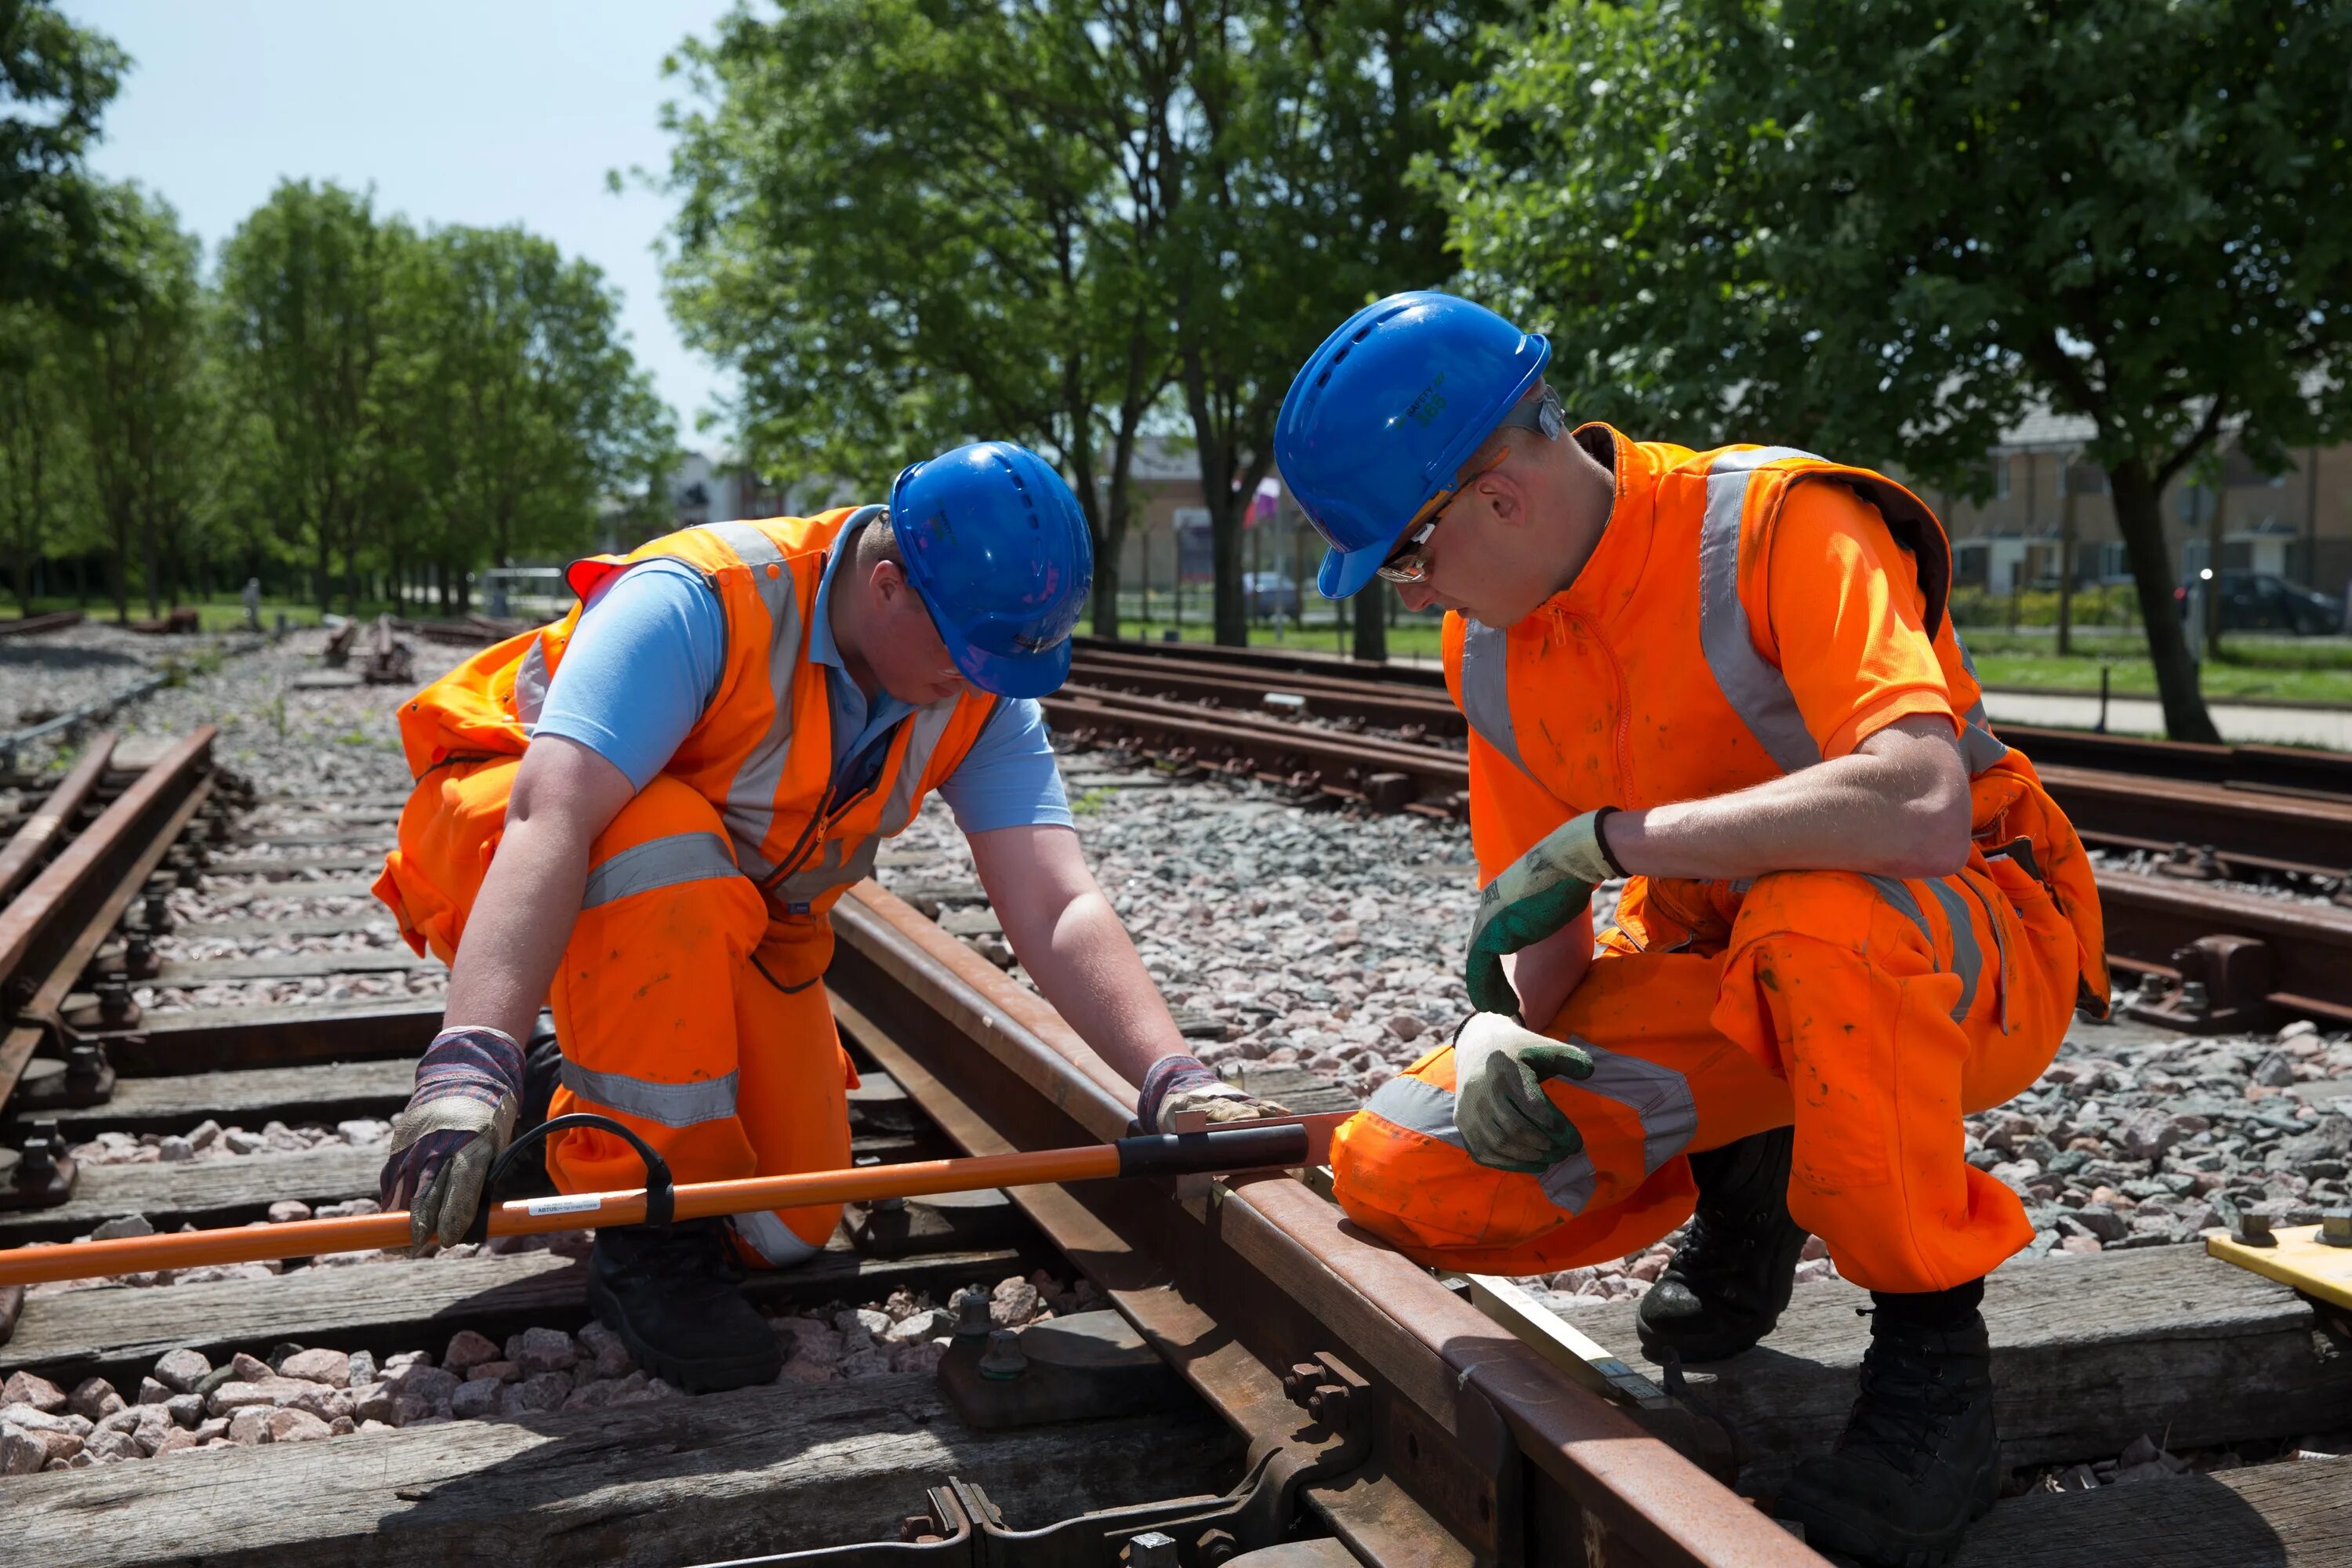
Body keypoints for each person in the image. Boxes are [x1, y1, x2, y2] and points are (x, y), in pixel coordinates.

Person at [1274, 294, 2104, 1566]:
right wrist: (1500, 1033)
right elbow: (1542, 925)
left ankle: (1936, 1372)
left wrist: (1622, 839)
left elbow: (1922, 807)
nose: (1414, 588)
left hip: (1969, 940)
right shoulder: (1489, 652)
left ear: (1493, 498)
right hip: (1736, 978)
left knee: (1815, 920)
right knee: (1401, 1169)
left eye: (1406, 557)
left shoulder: (1780, 524)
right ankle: (1753, 1175)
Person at [370, 441, 1284, 1392]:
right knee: (664, 838)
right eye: (968, 653)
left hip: (721, 915)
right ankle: (647, 1232)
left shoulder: (978, 683)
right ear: (887, 584)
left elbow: (1055, 898)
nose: (980, 681)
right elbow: (550, 815)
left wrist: (1173, 1075)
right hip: (517, 841)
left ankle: (575, 1105)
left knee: (784, 1222)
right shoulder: (702, 598)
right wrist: (473, 1059)